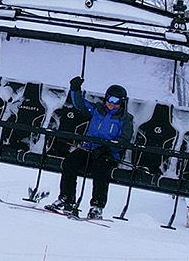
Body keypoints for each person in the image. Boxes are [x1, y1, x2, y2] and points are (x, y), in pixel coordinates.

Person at [53, 83, 131, 218]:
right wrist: (75, 89)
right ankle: (67, 198)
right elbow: (80, 104)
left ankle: (97, 206)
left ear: (122, 103)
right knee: (70, 162)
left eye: (116, 101)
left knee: (100, 168)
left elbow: (124, 140)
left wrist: (107, 147)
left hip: (108, 153)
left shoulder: (125, 119)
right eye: (109, 99)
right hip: (88, 148)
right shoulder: (97, 110)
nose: (111, 104)